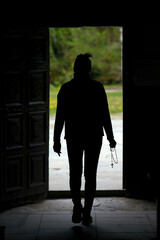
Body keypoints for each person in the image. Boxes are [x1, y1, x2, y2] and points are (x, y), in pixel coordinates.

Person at [53, 53, 116, 225]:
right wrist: (110, 137)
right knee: (90, 174)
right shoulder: (97, 88)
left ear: (75, 68)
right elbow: (105, 115)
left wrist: (56, 139)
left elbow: (60, 117)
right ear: (89, 69)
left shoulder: (66, 89)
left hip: (73, 136)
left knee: (75, 173)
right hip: (94, 136)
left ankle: (77, 208)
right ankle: (87, 212)